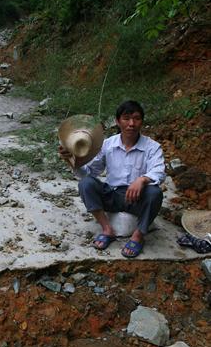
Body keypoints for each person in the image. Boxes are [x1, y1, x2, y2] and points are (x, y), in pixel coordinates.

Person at [59, 100, 166, 258]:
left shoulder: (152, 147)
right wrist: (71, 161)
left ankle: (138, 235)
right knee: (86, 184)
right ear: (117, 121)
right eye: (126, 118)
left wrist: (142, 179)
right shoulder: (107, 145)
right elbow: (89, 173)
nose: (131, 123)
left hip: (137, 198)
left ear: (141, 122)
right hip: (113, 195)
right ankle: (107, 229)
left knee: (155, 193)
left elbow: (159, 171)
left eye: (136, 118)